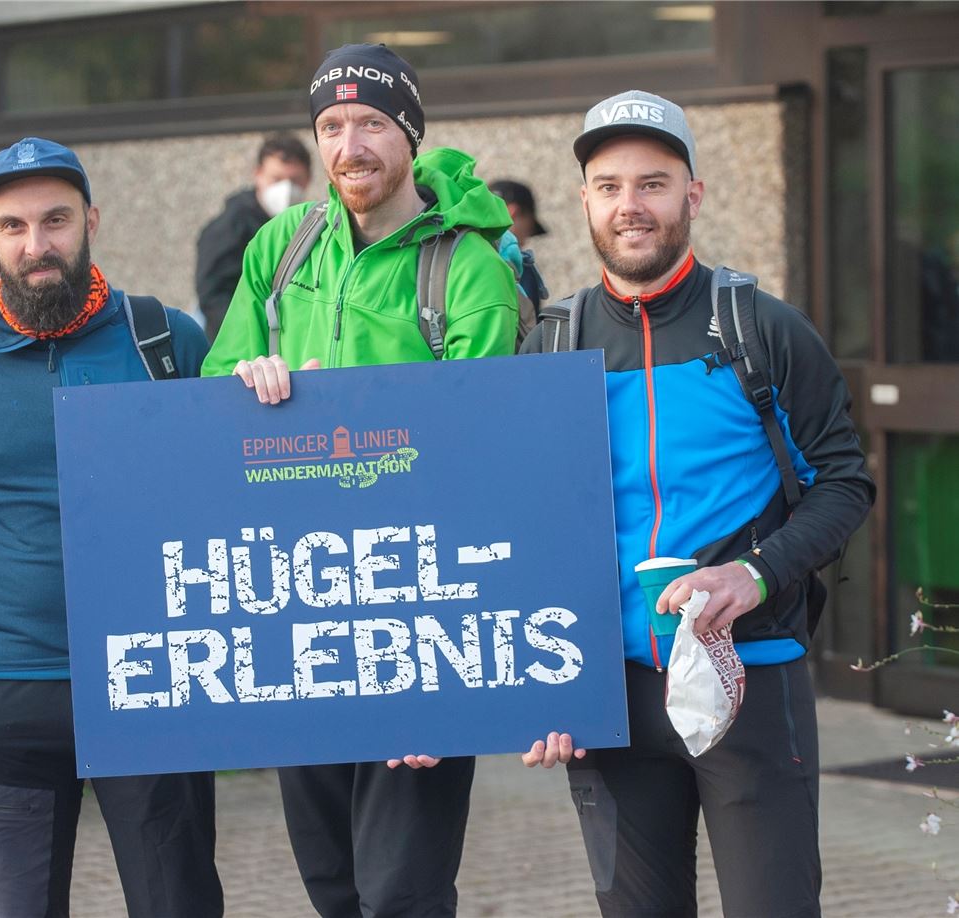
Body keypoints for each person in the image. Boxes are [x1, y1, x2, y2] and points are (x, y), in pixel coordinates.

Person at [520, 90, 875, 917]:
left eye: (653, 183)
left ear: (693, 193)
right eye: (608, 186)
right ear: (584, 202)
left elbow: (844, 482)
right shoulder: (553, 342)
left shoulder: (763, 330)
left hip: (750, 678)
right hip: (609, 699)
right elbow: (525, 523)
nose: (629, 205)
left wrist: (755, 573)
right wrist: (544, 682)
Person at [202, 43, 518, 918]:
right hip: (301, 608)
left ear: (410, 133)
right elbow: (213, 399)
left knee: (401, 895)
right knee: (334, 888)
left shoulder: (468, 270)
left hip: (413, 613)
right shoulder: (281, 246)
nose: (350, 145)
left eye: (372, 123)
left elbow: (486, 459)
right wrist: (246, 384)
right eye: (332, 126)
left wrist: (439, 674)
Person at [0, 137, 223, 917]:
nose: (36, 246)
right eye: (13, 226)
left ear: (92, 221)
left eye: (55, 221)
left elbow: (223, 501)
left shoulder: (166, 342)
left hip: (152, 690)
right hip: (2, 691)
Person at [195, 134, 312, 341]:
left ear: (308, 180)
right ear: (258, 174)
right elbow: (213, 297)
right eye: (276, 179)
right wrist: (248, 340)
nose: (285, 189)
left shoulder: (310, 224)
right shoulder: (230, 227)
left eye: (294, 180)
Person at [489, 179, 550, 316]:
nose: (526, 240)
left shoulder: (463, 252)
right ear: (513, 212)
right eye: (529, 229)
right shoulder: (519, 267)